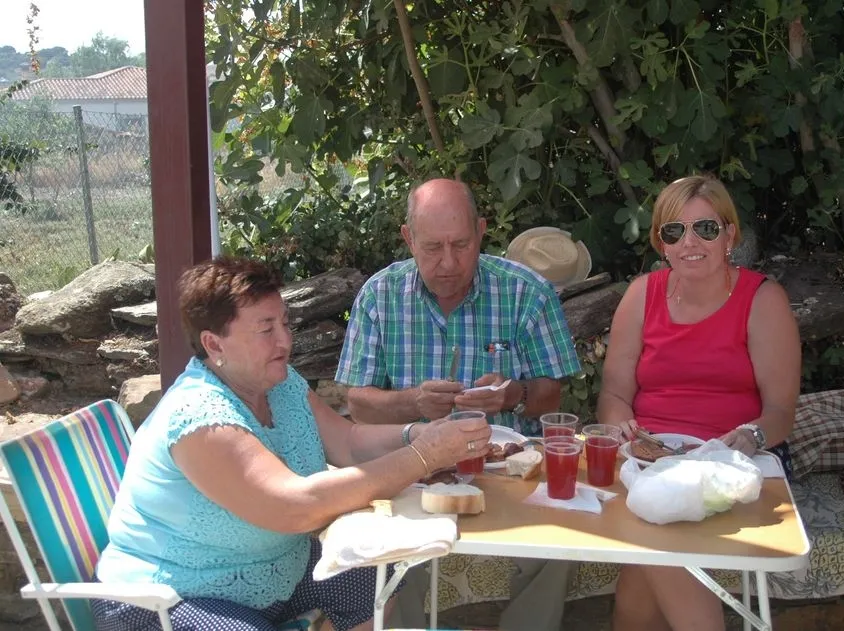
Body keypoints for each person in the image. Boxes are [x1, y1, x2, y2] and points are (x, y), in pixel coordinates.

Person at [92, 256, 491, 631]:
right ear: (214, 345)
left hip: (276, 572)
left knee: (375, 573)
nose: (285, 340)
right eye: (266, 329)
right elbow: (296, 507)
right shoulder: (199, 417)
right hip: (168, 597)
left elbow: (349, 442)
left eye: (285, 323)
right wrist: (424, 456)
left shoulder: (278, 384)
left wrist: (415, 435)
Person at [335, 178, 583, 630]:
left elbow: (552, 396)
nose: (448, 262)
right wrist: (414, 402)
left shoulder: (527, 292)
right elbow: (359, 405)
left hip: (507, 472)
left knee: (557, 542)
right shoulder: (379, 295)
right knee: (392, 556)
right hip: (412, 470)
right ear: (409, 238)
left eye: (461, 245)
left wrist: (514, 395)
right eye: (432, 247)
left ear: (482, 232)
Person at [596, 174, 801, 631]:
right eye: (675, 231)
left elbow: (781, 413)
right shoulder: (641, 295)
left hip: (733, 461)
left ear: (730, 235)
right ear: (662, 244)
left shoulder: (762, 300)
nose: (690, 242)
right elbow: (613, 395)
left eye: (705, 228)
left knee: (652, 549)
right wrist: (621, 425)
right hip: (648, 460)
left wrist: (751, 435)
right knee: (644, 568)